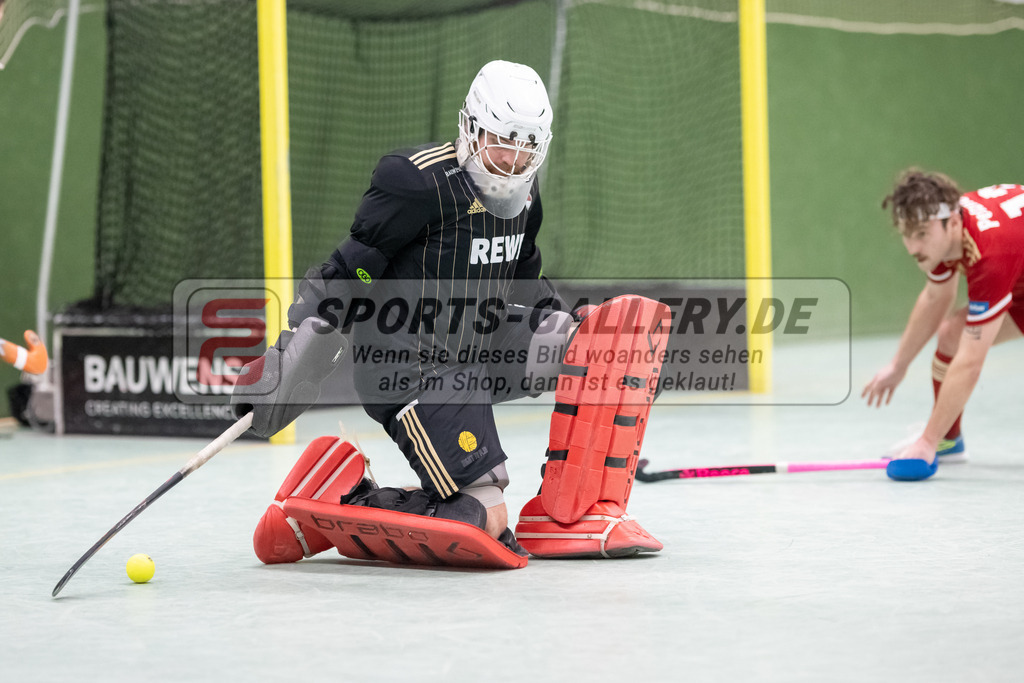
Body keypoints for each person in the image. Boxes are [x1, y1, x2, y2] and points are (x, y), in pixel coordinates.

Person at [232, 60, 667, 568]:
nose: (513, 159)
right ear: (471, 127)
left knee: (602, 347)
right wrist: (295, 349)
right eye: (503, 140)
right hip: (413, 367)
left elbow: (524, 274)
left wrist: (577, 337)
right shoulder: (415, 182)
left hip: (479, 341)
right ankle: (334, 498)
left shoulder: (526, 193)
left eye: (528, 146)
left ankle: (570, 515)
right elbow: (352, 266)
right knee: (485, 516)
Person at [862, 169, 1024, 481]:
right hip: (1020, 280)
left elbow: (970, 363)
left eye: (921, 234)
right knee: (952, 332)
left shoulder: (989, 255)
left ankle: (935, 439)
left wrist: (925, 443)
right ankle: (949, 439)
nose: (913, 247)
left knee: (965, 346)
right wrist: (899, 365)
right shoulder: (947, 234)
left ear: (952, 223)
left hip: (1011, 266)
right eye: (907, 234)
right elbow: (936, 297)